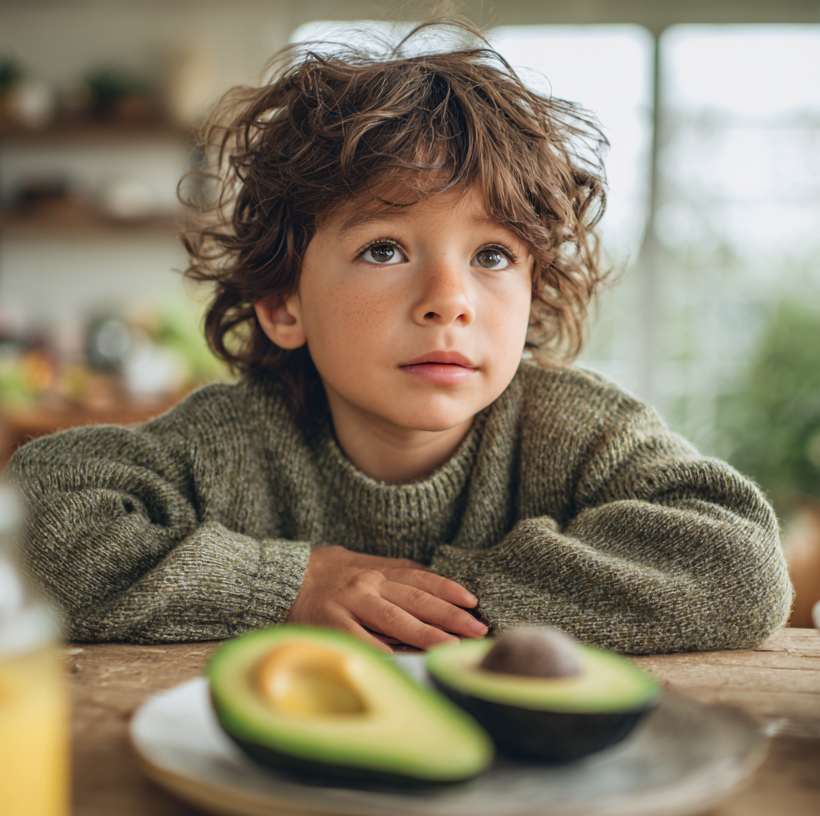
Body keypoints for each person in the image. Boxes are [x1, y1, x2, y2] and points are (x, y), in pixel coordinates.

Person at [6, 20, 792, 654]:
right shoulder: (234, 440)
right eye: (384, 249)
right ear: (284, 303)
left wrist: (427, 598)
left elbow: (740, 563)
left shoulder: (578, 429)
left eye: (492, 256)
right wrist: (292, 583)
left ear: (533, 292)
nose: (449, 301)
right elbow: (37, 512)